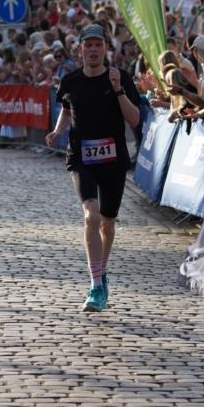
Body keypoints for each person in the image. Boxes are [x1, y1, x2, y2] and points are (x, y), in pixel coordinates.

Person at [45, 23, 141, 313]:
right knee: (91, 215)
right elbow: (66, 108)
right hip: (81, 158)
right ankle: (96, 285)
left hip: (113, 160)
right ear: (81, 50)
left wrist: (118, 91)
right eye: (89, 45)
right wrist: (57, 130)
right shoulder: (70, 81)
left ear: (105, 49)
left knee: (108, 223)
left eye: (99, 44)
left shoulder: (119, 77)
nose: (94, 49)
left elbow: (135, 119)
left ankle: (102, 271)